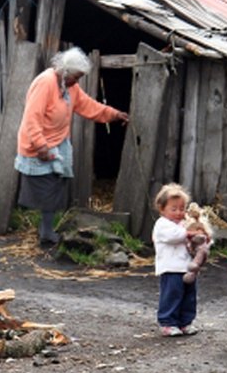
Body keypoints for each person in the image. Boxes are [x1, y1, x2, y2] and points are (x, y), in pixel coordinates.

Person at [15, 47, 129, 246]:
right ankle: (45, 231)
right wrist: (41, 145)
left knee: (55, 185)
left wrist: (113, 114)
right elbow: (31, 118)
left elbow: (88, 105)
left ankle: (46, 230)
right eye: (76, 76)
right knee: (47, 187)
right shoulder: (45, 82)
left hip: (58, 143)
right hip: (39, 144)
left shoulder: (69, 87)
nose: (78, 81)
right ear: (66, 71)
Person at [152, 183, 199, 337]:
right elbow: (174, 236)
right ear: (162, 209)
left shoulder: (183, 225)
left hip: (187, 268)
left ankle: (185, 322)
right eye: (174, 209)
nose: (179, 212)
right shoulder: (162, 225)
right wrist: (188, 232)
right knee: (172, 294)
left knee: (188, 296)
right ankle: (168, 322)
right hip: (171, 268)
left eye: (182, 208)